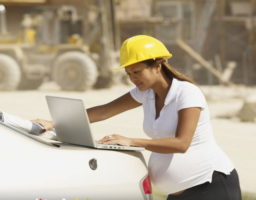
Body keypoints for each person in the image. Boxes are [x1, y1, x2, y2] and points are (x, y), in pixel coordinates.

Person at [35, 35, 242, 200]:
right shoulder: (146, 93)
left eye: (137, 72)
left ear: (158, 66)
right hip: (180, 194)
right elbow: (105, 111)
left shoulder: (187, 93)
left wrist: (131, 141)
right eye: (128, 74)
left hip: (212, 186)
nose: (133, 79)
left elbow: (181, 144)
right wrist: (54, 122)